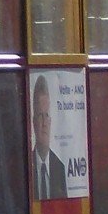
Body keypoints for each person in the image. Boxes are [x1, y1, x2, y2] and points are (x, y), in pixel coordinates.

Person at [30, 73, 68, 201]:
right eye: (40, 115)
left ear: (51, 120)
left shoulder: (60, 167)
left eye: (46, 115)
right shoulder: (27, 166)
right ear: (34, 121)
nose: (44, 123)